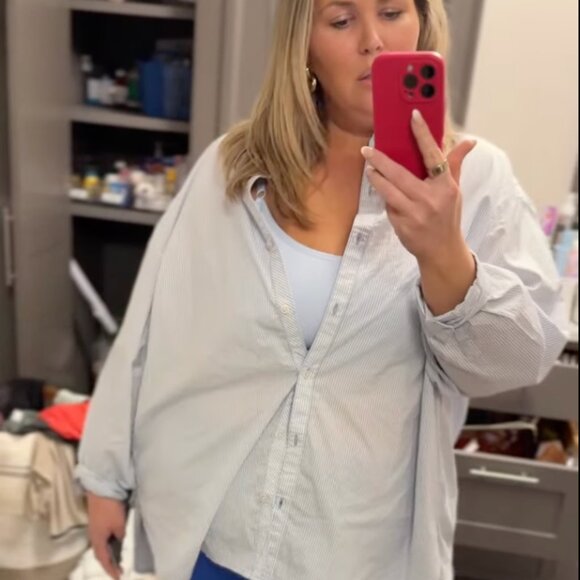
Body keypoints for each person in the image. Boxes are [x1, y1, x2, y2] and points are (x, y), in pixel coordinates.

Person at [77, 0, 568, 579]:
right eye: (340, 20)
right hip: (212, 533)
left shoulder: (476, 180)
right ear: (303, 44)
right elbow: (151, 327)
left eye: (392, 11)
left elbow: (521, 358)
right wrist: (105, 477)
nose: (373, 41)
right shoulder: (233, 168)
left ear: (422, 20)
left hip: (356, 554)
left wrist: (446, 257)